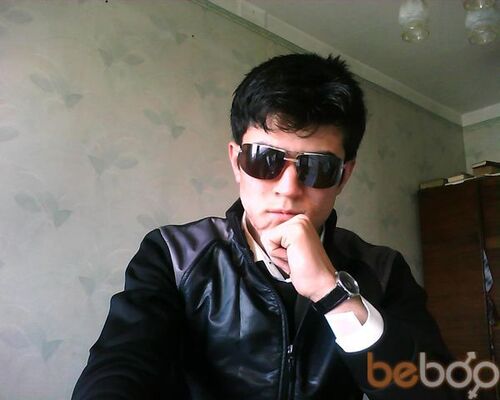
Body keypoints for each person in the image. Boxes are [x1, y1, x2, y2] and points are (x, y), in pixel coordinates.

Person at [72, 53, 464, 399]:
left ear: (343, 176)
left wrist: (332, 294)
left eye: (318, 167)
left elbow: (438, 393)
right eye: (265, 159)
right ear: (237, 162)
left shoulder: (383, 270)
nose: (288, 188)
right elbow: (122, 364)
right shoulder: (174, 255)